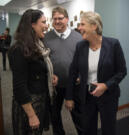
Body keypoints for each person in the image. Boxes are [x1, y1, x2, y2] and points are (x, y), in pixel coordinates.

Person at [65, 11, 127, 135]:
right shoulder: (80, 46)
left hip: (108, 95)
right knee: (88, 128)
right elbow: (73, 72)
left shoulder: (113, 44)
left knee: (108, 129)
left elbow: (122, 71)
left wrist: (106, 85)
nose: (79, 28)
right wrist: (69, 97)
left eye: (82, 24)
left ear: (94, 26)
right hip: (87, 96)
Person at [8, 9, 58, 135]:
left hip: (40, 101)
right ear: (32, 24)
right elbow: (19, 86)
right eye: (44, 22)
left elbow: (37, 70)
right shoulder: (18, 49)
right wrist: (31, 115)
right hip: (28, 106)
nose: (47, 26)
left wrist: (50, 76)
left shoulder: (38, 45)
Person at [43, 6, 82, 135]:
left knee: (78, 115)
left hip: (74, 84)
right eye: (55, 19)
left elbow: (84, 61)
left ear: (67, 19)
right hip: (54, 86)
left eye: (60, 18)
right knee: (54, 115)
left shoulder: (78, 37)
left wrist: (81, 75)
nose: (57, 21)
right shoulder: (45, 38)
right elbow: (42, 61)